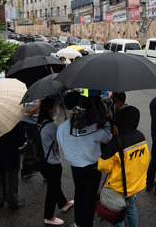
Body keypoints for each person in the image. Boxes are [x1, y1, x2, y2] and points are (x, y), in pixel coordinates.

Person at [57, 96, 111, 227]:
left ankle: (78, 222)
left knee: (79, 194)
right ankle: (86, 224)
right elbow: (107, 138)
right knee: (89, 198)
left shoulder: (62, 127)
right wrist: (107, 121)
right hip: (92, 169)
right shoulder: (93, 127)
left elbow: (62, 149)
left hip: (75, 168)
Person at [98, 92, 150, 227]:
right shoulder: (140, 135)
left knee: (118, 213)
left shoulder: (116, 141)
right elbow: (145, 159)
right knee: (131, 207)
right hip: (134, 182)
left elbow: (103, 166)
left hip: (119, 185)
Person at [38, 97, 74, 226]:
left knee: (55, 184)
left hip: (46, 161)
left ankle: (63, 203)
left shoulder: (42, 122)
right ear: (49, 109)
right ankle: (48, 216)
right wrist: (64, 126)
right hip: (53, 163)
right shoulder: (52, 126)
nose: (56, 108)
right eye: (54, 106)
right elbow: (60, 143)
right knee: (52, 189)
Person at [0, 122, 27, 211]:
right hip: (10, 156)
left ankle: (0, 200)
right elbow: (21, 141)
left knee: (2, 180)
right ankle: (12, 204)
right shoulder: (15, 123)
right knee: (11, 182)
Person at [21, 99, 42, 179]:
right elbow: (29, 113)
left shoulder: (39, 97)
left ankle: (32, 169)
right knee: (30, 149)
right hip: (30, 125)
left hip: (36, 125)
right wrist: (40, 103)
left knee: (36, 149)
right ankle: (26, 171)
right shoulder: (32, 98)